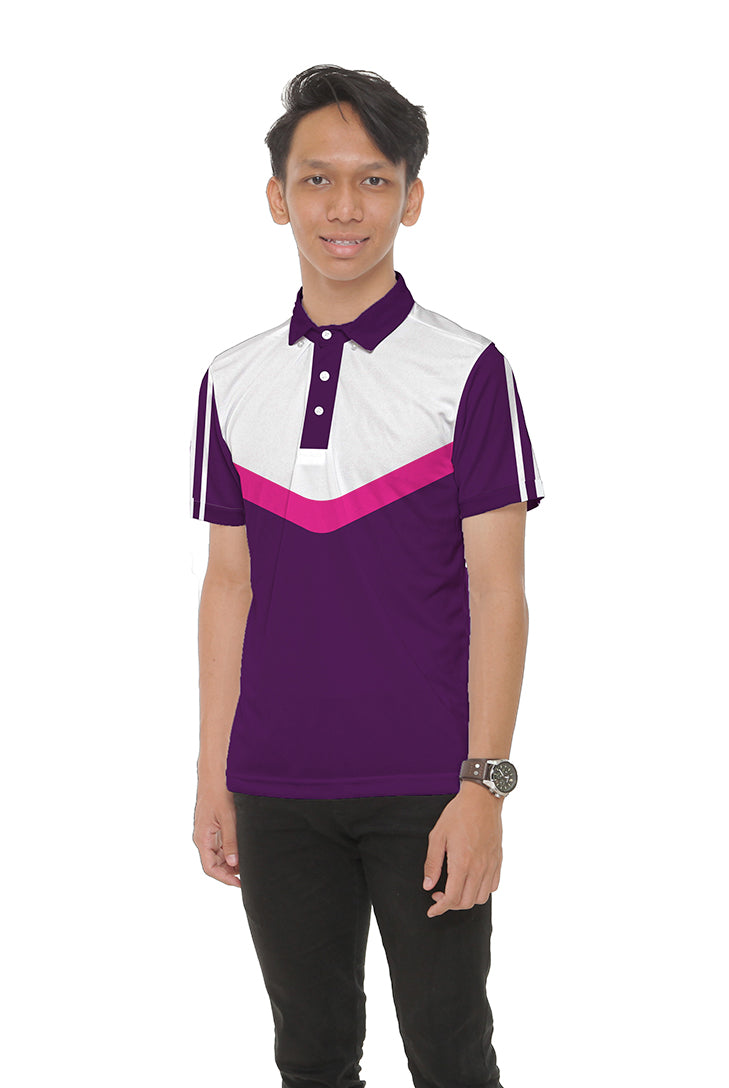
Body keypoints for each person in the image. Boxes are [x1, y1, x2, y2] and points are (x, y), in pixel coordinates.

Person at [190, 63, 544, 1088]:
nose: (344, 207)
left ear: (410, 198)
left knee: (450, 1054)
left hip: (428, 785)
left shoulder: (468, 369)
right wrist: (214, 771)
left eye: (373, 180)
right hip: (275, 784)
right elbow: (227, 585)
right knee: (309, 1056)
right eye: (317, 179)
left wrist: (484, 783)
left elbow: (500, 590)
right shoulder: (231, 379)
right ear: (277, 198)